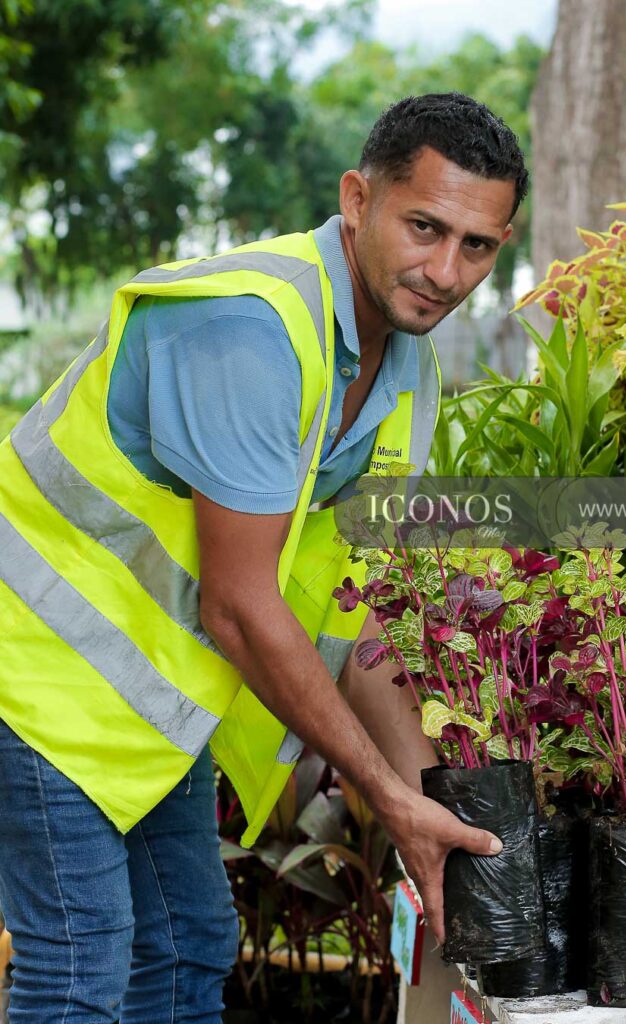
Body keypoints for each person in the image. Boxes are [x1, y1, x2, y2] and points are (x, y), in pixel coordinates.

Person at [0, 91, 528, 1021]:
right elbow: (241, 606)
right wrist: (388, 800)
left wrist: (427, 811)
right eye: (424, 226)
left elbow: (361, 607)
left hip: (142, 705)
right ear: (357, 199)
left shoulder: (404, 372)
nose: (445, 271)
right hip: (30, 672)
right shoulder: (250, 328)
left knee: (188, 943)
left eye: (477, 246)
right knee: (82, 964)